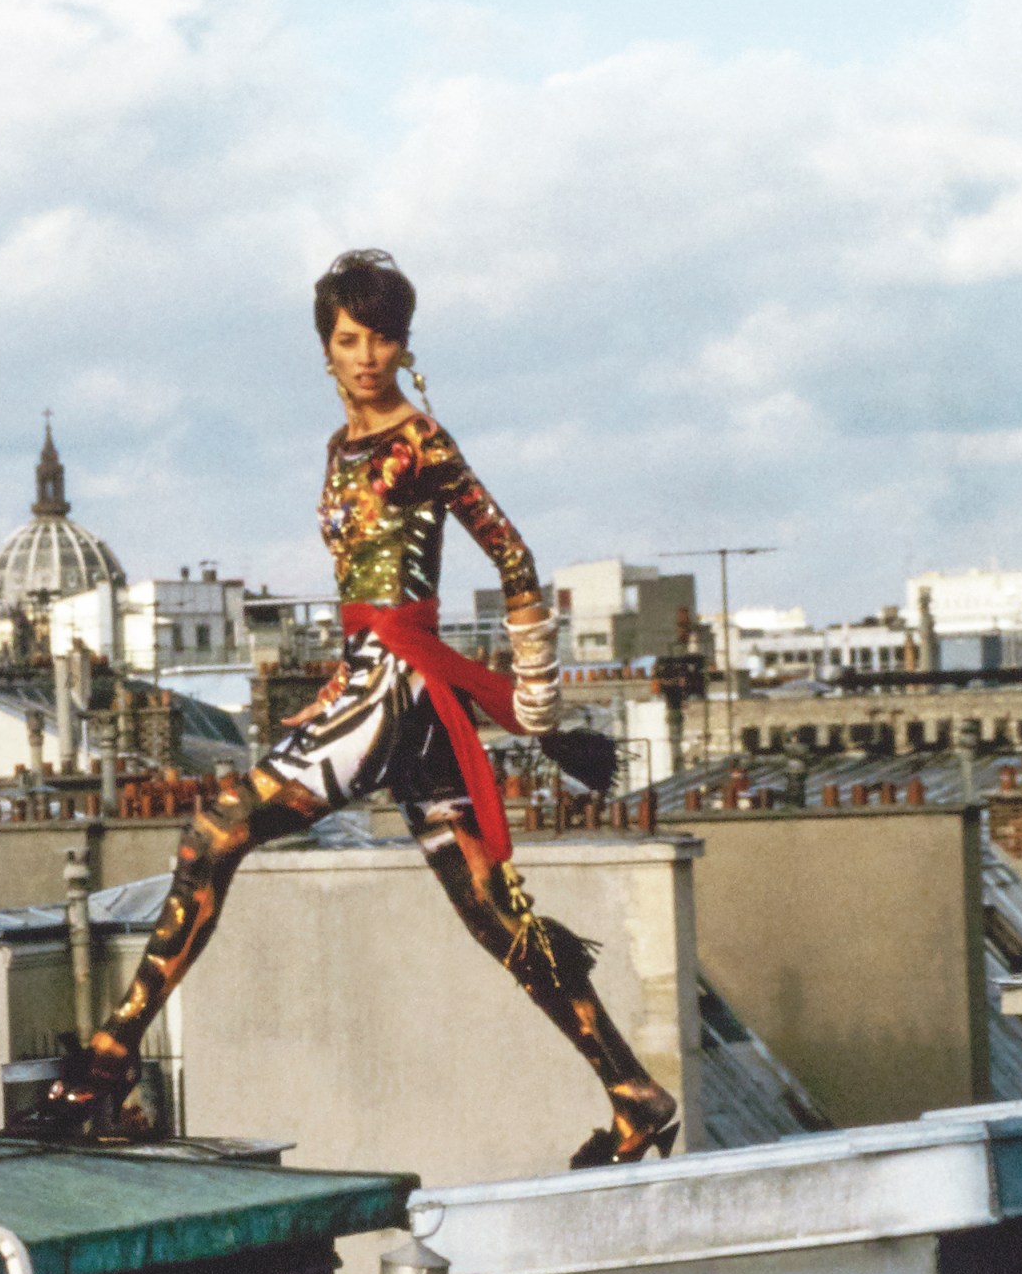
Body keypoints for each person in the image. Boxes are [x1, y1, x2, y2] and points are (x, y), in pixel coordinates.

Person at [37, 249, 678, 1166]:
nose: (367, 355)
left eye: (382, 338)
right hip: (388, 684)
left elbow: (513, 554)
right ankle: (632, 1091)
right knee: (492, 910)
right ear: (325, 351)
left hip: (395, 683)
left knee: (215, 832)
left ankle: (113, 1050)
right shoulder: (343, 448)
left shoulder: (421, 441)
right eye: (350, 339)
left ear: (402, 346)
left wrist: (535, 693)